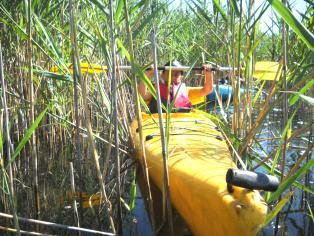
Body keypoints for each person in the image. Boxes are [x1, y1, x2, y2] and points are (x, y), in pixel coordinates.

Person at [138, 60, 214, 113]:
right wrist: (147, 74)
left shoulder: (186, 90)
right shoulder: (155, 89)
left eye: (176, 74)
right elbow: (143, 96)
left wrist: (208, 74)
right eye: (170, 74)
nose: (173, 76)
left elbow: (207, 90)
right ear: (162, 75)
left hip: (182, 123)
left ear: (181, 77)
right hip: (160, 122)